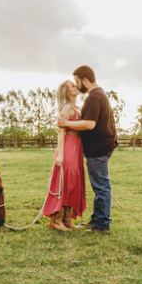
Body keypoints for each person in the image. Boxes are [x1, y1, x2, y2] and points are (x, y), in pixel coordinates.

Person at [58, 66, 118, 232]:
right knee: (100, 186)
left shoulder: (94, 97)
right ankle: (97, 219)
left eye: (77, 81)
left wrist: (66, 123)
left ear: (85, 80)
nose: (77, 85)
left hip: (98, 149)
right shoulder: (99, 94)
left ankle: (101, 224)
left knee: (101, 187)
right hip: (100, 148)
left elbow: (90, 124)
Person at [42, 80, 86, 231]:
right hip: (68, 146)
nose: (76, 86)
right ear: (66, 92)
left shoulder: (76, 107)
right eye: (72, 86)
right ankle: (56, 220)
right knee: (65, 181)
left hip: (77, 147)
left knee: (73, 181)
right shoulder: (67, 108)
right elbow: (61, 130)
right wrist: (60, 154)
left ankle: (68, 219)